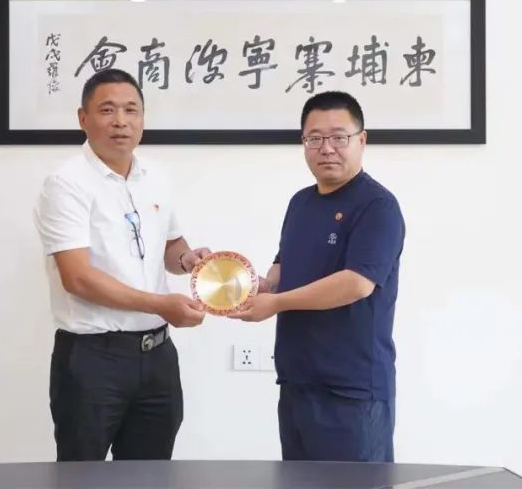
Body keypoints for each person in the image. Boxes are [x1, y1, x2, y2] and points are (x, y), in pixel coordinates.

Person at [34, 68, 211, 461]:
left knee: (151, 475)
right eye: (107, 110)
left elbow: (171, 246)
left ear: (143, 118)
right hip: (94, 358)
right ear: (83, 118)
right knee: (83, 477)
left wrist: (189, 260)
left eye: (131, 110)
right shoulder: (65, 183)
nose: (121, 121)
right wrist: (161, 304)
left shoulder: (156, 177)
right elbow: (78, 278)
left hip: (158, 357)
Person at [231, 91, 405, 462]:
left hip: (352, 391)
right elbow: (283, 267)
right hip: (297, 384)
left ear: (361, 139)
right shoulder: (301, 202)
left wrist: (276, 303)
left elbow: (356, 283)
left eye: (339, 137)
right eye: (314, 138)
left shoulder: (378, 206)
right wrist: (257, 286)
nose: (326, 148)